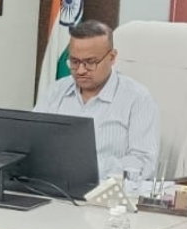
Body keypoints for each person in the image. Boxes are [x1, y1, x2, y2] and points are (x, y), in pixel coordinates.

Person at [35, 19, 159, 180]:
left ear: (112, 57)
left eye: (90, 62)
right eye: (74, 62)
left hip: (107, 190)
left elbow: (144, 162)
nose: (81, 71)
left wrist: (89, 169)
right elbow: (33, 142)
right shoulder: (56, 91)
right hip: (52, 184)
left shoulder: (137, 99)